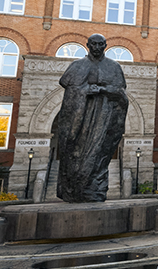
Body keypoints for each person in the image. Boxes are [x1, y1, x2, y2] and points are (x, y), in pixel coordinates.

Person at [54, 34, 129, 202]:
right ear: (88, 45)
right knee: (76, 151)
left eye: (100, 44)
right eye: (93, 44)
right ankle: (73, 190)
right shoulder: (77, 65)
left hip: (103, 117)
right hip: (81, 116)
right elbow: (68, 86)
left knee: (99, 152)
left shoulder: (113, 66)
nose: (96, 47)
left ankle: (94, 189)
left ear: (105, 45)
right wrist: (85, 90)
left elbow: (119, 92)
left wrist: (103, 90)